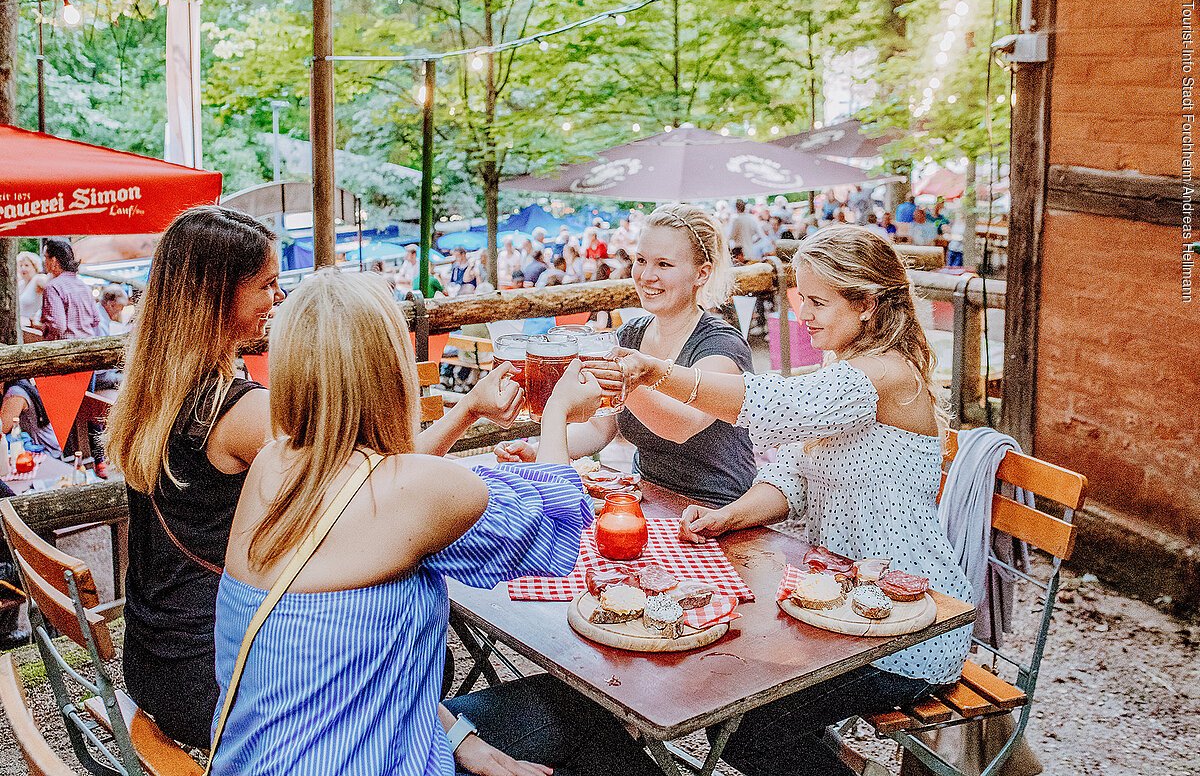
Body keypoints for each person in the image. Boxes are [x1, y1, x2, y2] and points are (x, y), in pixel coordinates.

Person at [104, 205, 526, 750]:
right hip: (217, 684)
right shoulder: (241, 415)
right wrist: (468, 410)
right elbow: (373, 486)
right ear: (216, 299)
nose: (277, 298)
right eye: (267, 284)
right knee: (428, 653)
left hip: (156, 656)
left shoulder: (153, 389)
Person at [210, 269, 661, 776]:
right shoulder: (417, 491)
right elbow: (556, 528)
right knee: (592, 717)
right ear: (391, 368)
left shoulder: (274, 463)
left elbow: (362, 670)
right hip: (373, 759)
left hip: (270, 757)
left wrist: (464, 740)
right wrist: (555, 416)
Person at [607, 224, 973, 776]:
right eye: (802, 298)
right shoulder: (847, 367)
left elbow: (771, 406)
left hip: (908, 628)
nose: (804, 314)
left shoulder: (884, 373)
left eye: (819, 302)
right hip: (842, 610)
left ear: (868, 304)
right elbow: (795, 476)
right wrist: (729, 516)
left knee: (747, 718)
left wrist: (658, 371)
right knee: (737, 701)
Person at [499, 203, 756, 507]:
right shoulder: (630, 335)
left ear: (701, 274)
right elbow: (601, 425)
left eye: (664, 265)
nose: (646, 275)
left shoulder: (722, 345)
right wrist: (545, 449)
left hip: (718, 509)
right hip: (644, 496)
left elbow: (680, 426)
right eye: (641, 260)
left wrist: (622, 378)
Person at [40, 238, 100, 341]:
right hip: (88, 344)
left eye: (46, 258)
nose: (44, 262)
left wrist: (41, 327)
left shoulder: (53, 287)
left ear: (53, 260)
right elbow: (96, 320)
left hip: (66, 347)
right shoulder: (83, 286)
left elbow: (58, 327)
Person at [1, 379, 62, 459]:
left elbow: (2, 428)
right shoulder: (19, 383)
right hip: (39, 448)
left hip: (44, 453)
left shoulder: (15, 394)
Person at [17, 251, 45, 327]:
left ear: (35, 267)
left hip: (33, 326)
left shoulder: (38, 279)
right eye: (21, 265)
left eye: (26, 265)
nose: (23, 268)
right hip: (21, 326)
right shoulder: (20, 284)